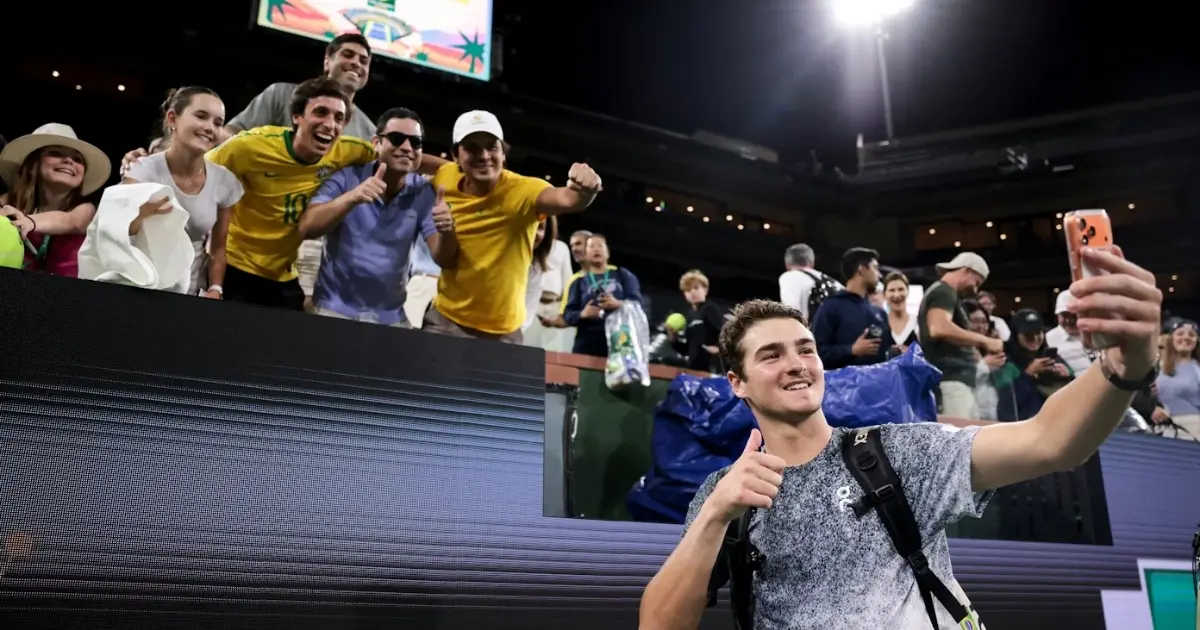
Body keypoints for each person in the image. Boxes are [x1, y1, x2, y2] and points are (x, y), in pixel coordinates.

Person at [640, 245, 1162, 629]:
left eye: (805, 349)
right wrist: (713, 517)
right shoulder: (724, 494)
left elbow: (1052, 440)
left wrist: (1124, 365)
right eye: (771, 355)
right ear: (737, 383)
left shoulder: (896, 451)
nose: (797, 365)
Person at [424, 110, 601, 343]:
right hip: (445, 321)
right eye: (473, 148)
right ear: (456, 155)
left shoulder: (525, 191)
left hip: (503, 333)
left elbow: (569, 199)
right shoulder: (446, 177)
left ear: (503, 153)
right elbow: (423, 162)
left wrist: (586, 190)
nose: (484, 155)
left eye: (492, 147)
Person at [204, 77, 375, 310]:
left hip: (283, 275)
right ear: (297, 116)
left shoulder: (348, 150)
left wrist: (442, 171)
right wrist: (144, 160)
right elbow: (192, 168)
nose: (329, 124)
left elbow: (399, 155)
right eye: (321, 112)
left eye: (339, 118)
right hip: (236, 268)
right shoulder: (249, 146)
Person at [298, 107, 454, 326]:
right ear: (376, 142)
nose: (407, 148)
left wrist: (447, 230)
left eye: (415, 142)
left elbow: (443, 258)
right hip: (334, 309)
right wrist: (352, 197)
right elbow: (307, 227)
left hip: (391, 317)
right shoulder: (348, 177)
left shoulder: (424, 192)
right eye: (397, 139)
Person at [123, 87, 244, 296]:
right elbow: (118, 230)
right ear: (172, 119)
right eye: (201, 116)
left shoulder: (225, 181)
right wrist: (143, 211)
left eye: (218, 123)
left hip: (188, 293)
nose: (210, 128)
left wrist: (216, 288)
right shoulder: (142, 170)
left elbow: (218, 247)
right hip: (137, 288)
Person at [0, 123, 111, 277]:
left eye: (77, 159)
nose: (69, 161)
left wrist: (28, 221)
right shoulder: (5, 203)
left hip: (67, 295)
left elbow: (69, 221)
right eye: (56, 153)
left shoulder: (86, 210)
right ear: (32, 165)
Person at [918, 252, 1004, 419]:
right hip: (951, 381)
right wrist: (985, 341)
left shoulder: (947, 293)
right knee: (959, 439)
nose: (975, 289)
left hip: (958, 381)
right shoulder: (944, 291)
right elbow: (938, 327)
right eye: (976, 282)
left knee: (968, 437)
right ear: (967, 271)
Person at [810, 247, 896, 370]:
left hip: (880, 385)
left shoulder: (879, 312)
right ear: (862, 269)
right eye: (875, 268)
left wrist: (895, 350)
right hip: (843, 387)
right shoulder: (831, 307)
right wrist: (851, 350)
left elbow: (886, 351)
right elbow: (815, 353)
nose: (880, 275)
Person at [561, 233, 643, 357]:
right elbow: (567, 315)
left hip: (619, 338)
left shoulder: (622, 275)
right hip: (587, 342)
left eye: (600, 245)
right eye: (591, 246)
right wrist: (583, 314)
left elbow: (637, 304)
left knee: (619, 375)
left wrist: (618, 304)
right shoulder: (578, 282)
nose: (596, 249)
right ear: (586, 254)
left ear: (607, 252)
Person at [993, 308, 1074, 422]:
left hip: (1057, 422)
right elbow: (1008, 404)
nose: (1035, 338)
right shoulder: (1005, 362)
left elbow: (1073, 390)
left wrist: (1066, 375)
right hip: (1024, 425)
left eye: (1038, 333)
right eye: (1028, 334)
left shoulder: (1051, 357)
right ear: (1017, 335)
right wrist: (1028, 374)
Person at [670, 269, 725, 373]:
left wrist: (719, 349)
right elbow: (687, 350)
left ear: (705, 290)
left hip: (711, 370)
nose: (692, 292)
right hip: (693, 370)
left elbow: (724, 333)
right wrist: (673, 339)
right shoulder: (690, 317)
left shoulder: (710, 309)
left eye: (696, 288)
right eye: (688, 290)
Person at [1154, 318, 1200, 438]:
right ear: (1171, 338)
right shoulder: (1157, 367)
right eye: (1180, 333)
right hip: (1163, 428)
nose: (1186, 338)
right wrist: (1153, 409)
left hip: (1194, 428)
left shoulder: (1197, 368)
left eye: (1192, 335)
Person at [883, 271, 918, 349]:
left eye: (901, 289)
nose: (897, 295)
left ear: (908, 291)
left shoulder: (918, 322)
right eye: (892, 290)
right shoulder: (881, 323)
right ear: (884, 294)